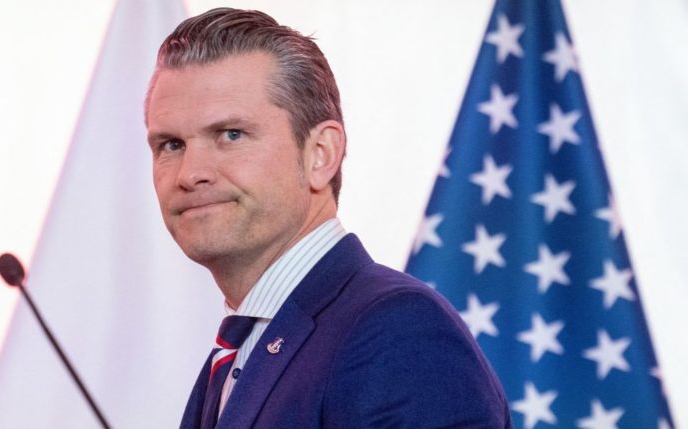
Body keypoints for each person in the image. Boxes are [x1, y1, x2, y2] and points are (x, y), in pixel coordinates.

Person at [145, 8, 512, 428]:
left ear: (320, 154)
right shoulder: (240, 350)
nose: (191, 173)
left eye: (231, 135)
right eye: (170, 144)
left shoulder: (398, 332)